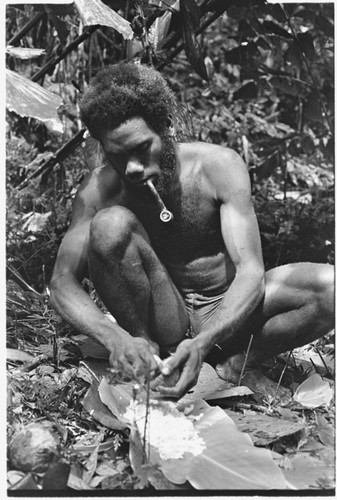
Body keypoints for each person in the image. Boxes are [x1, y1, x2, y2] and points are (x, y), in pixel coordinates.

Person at [50, 62, 334, 400]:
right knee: (110, 224)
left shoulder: (218, 167)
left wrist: (204, 340)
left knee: (331, 289)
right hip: (164, 316)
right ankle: (150, 359)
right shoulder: (97, 189)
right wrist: (117, 339)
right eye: (118, 156)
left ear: (167, 127)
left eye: (142, 148)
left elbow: (251, 270)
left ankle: (236, 363)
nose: (134, 168)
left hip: (226, 310)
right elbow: (61, 282)